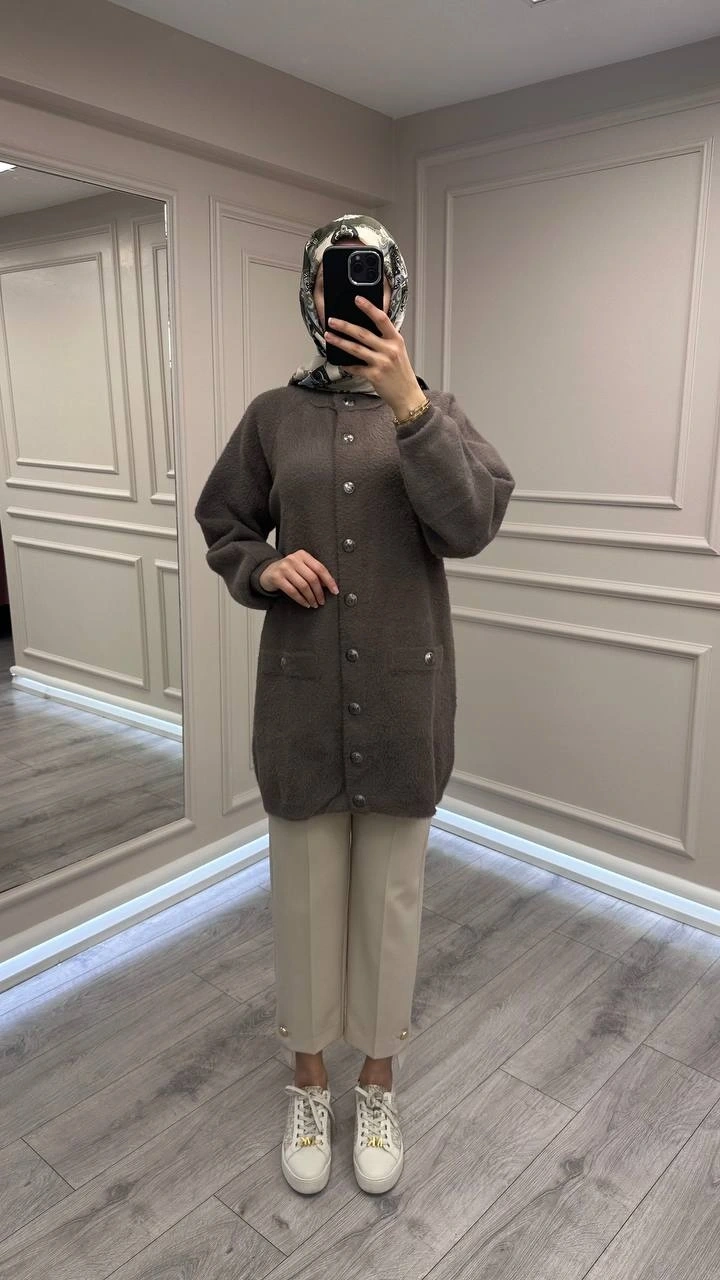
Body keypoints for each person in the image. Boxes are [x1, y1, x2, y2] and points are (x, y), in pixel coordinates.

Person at [194, 213, 516, 1197]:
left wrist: (409, 404)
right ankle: (307, 1078)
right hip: (301, 704)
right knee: (302, 899)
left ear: (395, 293)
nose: (349, 294)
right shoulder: (270, 416)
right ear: (309, 293)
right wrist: (261, 566)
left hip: (403, 700)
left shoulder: (433, 410)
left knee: (390, 901)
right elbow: (224, 521)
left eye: (367, 277)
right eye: (334, 278)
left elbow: (471, 524)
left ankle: (376, 1082)